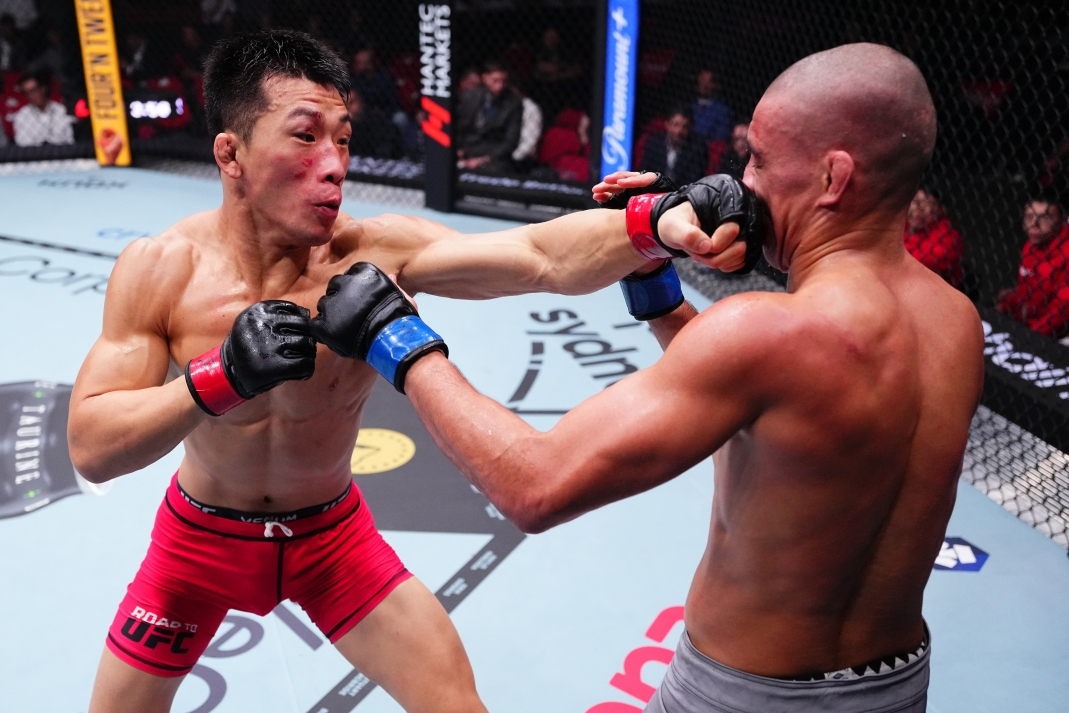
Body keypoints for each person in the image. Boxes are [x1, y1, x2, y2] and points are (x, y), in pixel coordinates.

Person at [69, 29, 741, 713]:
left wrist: (652, 218)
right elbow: (91, 446)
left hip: (330, 540)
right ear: (231, 153)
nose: (334, 164)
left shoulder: (374, 250)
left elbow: (539, 254)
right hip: (196, 549)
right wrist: (219, 378)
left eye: (343, 137)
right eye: (305, 137)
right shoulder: (161, 268)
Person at [323, 43, 985, 712]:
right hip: (895, 686)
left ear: (831, 179)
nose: (743, 180)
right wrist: (652, 282)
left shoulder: (767, 329)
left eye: (758, 158)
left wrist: (396, 338)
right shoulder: (953, 323)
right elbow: (783, 400)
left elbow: (533, 484)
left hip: (744, 695)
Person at [996, 198, 1069, 340]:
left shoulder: (1065, 255)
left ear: (1060, 222)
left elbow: (1061, 310)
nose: (1034, 224)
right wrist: (1005, 305)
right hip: (1027, 324)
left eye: (1045, 218)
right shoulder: (1031, 245)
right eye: (1029, 217)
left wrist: (1030, 335)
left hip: (1054, 335)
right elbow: (1026, 290)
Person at [455, 60, 522, 173]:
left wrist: (482, 160)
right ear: (485, 78)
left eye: (503, 81)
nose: (500, 86)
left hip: (492, 154)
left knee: (497, 168)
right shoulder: (471, 96)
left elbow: (510, 142)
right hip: (468, 148)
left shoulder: (513, 104)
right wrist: (458, 150)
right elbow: (459, 127)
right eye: (495, 81)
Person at [903, 188, 964, 288]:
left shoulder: (948, 235)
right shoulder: (902, 226)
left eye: (927, 204)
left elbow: (926, 262)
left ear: (940, 209)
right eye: (915, 201)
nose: (919, 209)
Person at [639, 105, 708, 185]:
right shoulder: (654, 144)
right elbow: (644, 172)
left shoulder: (697, 149)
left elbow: (694, 180)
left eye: (684, 127)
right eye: (676, 125)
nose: (679, 131)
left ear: (690, 128)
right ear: (667, 125)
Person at [12, 70, 72, 147]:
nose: (32, 95)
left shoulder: (61, 110)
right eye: (27, 93)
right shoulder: (21, 116)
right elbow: (23, 144)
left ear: (43, 88)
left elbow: (69, 139)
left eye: (34, 90)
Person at [692, 68, 732, 143]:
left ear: (715, 85)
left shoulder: (722, 110)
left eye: (708, 82)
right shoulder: (690, 105)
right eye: (702, 80)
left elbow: (721, 136)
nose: (704, 85)